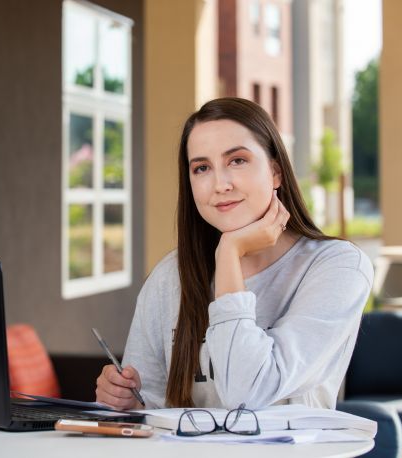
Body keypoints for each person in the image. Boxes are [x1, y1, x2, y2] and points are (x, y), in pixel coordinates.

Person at [95, 97, 373, 411]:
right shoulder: (169, 277)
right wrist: (129, 403)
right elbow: (156, 409)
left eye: (237, 160)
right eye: (201, 168)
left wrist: (229, 252)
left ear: (276, 171)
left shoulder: (336, 267)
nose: (220, 184)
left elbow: (247, 393)